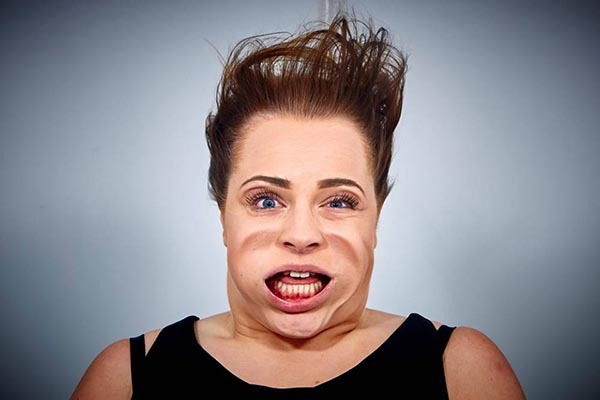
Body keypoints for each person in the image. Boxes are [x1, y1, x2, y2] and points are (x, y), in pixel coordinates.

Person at [71, 12, 526, 399]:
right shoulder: (124, 377)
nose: (302, 234)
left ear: (376, 220)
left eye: (339, 201)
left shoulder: (460, 368)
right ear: (223, 216)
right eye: (267, 200)